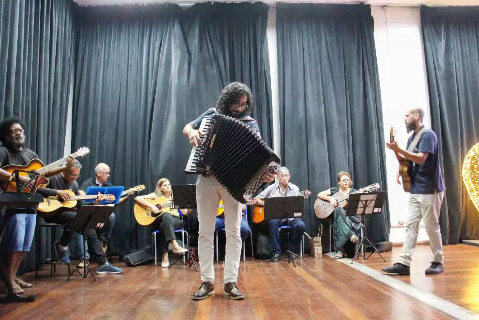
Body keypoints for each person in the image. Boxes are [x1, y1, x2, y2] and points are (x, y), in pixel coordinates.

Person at [183, 82, 275, 300]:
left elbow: (258, 156)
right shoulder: (211, 115)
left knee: (234, 232)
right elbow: (187, 127)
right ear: (227, 100)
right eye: (236, 103)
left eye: (244, 104)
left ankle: (230, 282)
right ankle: (206, 281)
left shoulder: (251, 125)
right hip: (206, 178)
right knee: (205, 231)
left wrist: (263, 173)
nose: (240, 108)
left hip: (233, 183)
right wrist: (192, 132)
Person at [0, 117, 73, 294]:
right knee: (15, 244)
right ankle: (9, 281)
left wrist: (64, 168)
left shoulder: (30, 154)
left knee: (24, 245)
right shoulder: (3, 151)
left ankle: (14, 275)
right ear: (6, 135)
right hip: (12, 205)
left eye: (19, 130)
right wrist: (16, 178)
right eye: (12, 131)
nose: (17, 133)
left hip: (30, 204)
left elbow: (44, 173)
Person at [382, 108, 445, 275]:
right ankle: (404, 263)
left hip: (430, 188)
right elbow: (407, 160)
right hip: (416, 188)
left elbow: (421, 158)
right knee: (411, 225)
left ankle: (438, 261)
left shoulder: (428, 135)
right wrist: (398, 158)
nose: (405, 118)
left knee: (431, 226)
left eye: (407, 115)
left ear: (417, 116)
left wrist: (400, 149)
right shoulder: (412, 138)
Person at [39, 160, 123, 274]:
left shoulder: (74, 184)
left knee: (86, 222)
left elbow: (81, 204)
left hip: (66, 214)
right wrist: (57, 192)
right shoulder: (53, 178)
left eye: (77, 175)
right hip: (49, 212)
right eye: (72, 174)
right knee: (79, 219)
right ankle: (63, 247)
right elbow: (37, 188)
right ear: (64, 171)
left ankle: (102, 263)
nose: (74, 177)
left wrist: (95, 202)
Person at [76, 163, 135, 256]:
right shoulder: (88, 183)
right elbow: (81, 196)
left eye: (108, 173)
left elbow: (117, 201)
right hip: (89, 212)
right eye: (106, 173)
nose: (108, 175)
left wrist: (127, 196)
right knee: (81, 224)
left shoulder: (109, 185)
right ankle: (84, 257)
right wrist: (93, 199)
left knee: (111, 216)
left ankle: (104, 240)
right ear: (98, 173)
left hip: (101, 213)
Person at [250, 167, 306, 262]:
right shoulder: (271, 188)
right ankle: (276, 252)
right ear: (278, 177)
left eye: (286, 175)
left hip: (290, 217)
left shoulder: (295, 188)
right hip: (277, 217)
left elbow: (296, 206)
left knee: (301, 226)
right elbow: (256, 199)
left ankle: (292, 251)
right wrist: (265, 204)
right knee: (272, 223)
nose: (284, 178)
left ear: (289, 176)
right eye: (282, 175)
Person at [134, 178, 188, 268]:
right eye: (165, 185)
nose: (168, 186)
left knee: (163, 225)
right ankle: (174, 244)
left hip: (175, 220)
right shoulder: (155, 196)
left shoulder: (176, 197)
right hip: (158, 219)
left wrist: (190, 206)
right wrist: (151, 206)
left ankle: (165, 256)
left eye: (169, 184)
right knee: (165, 215)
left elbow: (185, 212)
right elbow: (137, 198)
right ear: (159, 188)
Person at [317, 171, 360, 259]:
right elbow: (319, 194)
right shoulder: (334, 191)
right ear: (339, 182)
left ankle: (340, 250)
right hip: (338, 217)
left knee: (339, 213)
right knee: (338, 210)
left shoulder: (353, 192)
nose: (346, 182)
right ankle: (350, 235)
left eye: (347, 180)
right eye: (344, 180)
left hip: (351, 217)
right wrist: (330, 199)